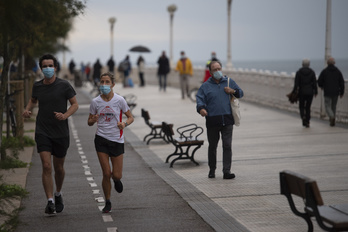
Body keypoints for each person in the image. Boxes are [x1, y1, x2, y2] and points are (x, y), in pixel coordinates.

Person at [22, 53, 79, 215]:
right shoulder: (37, 86)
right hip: (42, 130)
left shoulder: (64, 85)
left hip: (61, 132)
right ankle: (50, 201)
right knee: (46, 165)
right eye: (44, 66)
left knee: (58, 167)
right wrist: (27, 109)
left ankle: (58, 193)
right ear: (41, 68)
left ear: (55, 67)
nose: (47, 69)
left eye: (50, 66)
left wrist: (65, 115)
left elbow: (74, 104)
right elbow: (33, 100)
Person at [87, 72, 134, 213]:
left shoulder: (119, 100)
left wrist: (124, 124)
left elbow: (131, 117)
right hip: (101, 139)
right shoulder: (95, 102)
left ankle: (117, 179)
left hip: (117, 140)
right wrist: (93, 119)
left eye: (107, 82)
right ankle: (107, 201)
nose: (104, 85)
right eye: (102, 82)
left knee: (116, 175)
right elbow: (89, 122)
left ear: (113, 85)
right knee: (106, 173)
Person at [196, 61, 243, 179]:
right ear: (210, 72)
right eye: (215, 69)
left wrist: (232, 91)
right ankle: (212, 169)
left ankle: (226, 171)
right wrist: (201, 109)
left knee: (227, 145)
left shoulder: (229, 81)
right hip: (212, 120)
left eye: (219, 68)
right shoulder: (205, 86)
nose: (217, 71)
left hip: (227, 119)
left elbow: (241, 93)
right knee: (213, 146)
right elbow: (199, 99)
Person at [318, 57, 345, 126]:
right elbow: (342, 82)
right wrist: (342, 92)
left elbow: (319, 81)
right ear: (334, 63)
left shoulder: (324, 71)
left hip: (327, 91)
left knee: (327, 106)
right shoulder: (338, 71)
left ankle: (331, 116)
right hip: (336, 91)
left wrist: (322, 86)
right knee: (333, 106)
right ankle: (332, 120)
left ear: (327, 63)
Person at [292, 59, 318, 128]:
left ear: (302, 64)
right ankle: (307, 120)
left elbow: (296, 84)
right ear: (309, 64)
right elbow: (314, 83)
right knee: (308, 107)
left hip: (302, 92)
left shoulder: (299, 72)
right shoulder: (312, 72)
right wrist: (316, 91)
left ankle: (303, 116)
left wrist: (294, 92)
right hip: (310, 92)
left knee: (301, 106)